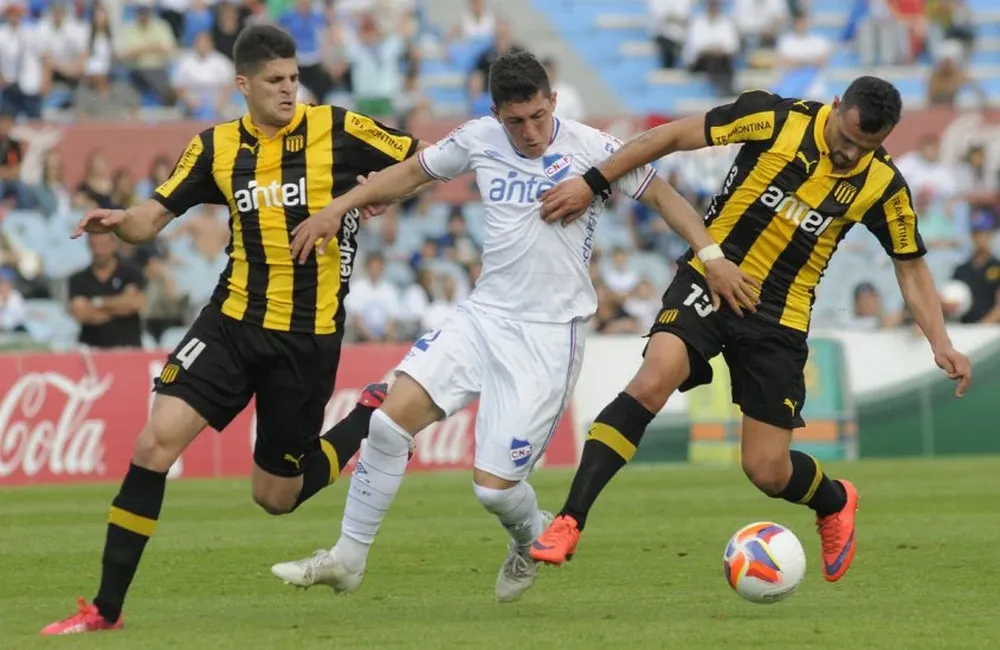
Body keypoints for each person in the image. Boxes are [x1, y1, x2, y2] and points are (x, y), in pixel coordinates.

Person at [269, 50, 758, 603]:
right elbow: (409, 173)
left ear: (552, 101)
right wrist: (341, 206)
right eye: (514, 121)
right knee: (386, 426)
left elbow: (666, 198)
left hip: (550, 335)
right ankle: (347, 559)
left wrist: (712, 256)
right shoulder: (479, 138)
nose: (528, 132)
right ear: (496, 113)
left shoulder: (592, 148)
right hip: (482, 316)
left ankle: (527, 538)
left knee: (495, 492)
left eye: (537, 117)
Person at [41, 24, 424, 636]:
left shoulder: (338, 129)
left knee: (275, 497)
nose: (289, 91)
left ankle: (367, 417)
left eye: (295, 78)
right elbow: (154, 215)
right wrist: (120, 222)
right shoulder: (215, 147)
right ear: (242, 84)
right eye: (275, 81)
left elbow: (423, 162)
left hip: (306, 336)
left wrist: (355, 199)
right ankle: (105, 609)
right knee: (152, 444)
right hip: (232, 320)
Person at [530, 76, 974, 583]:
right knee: (654, 379)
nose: (850, 153)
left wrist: (942, 342)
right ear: (834, 107)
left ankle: (835, 500)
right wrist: (592, 182)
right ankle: (569, 519)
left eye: (865, 146)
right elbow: (672, 137)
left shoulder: (883, 186)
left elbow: (910, 264)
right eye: (845, 137)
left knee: (766, 470)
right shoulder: (778, 119)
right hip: (712, 275)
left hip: (778, 318)